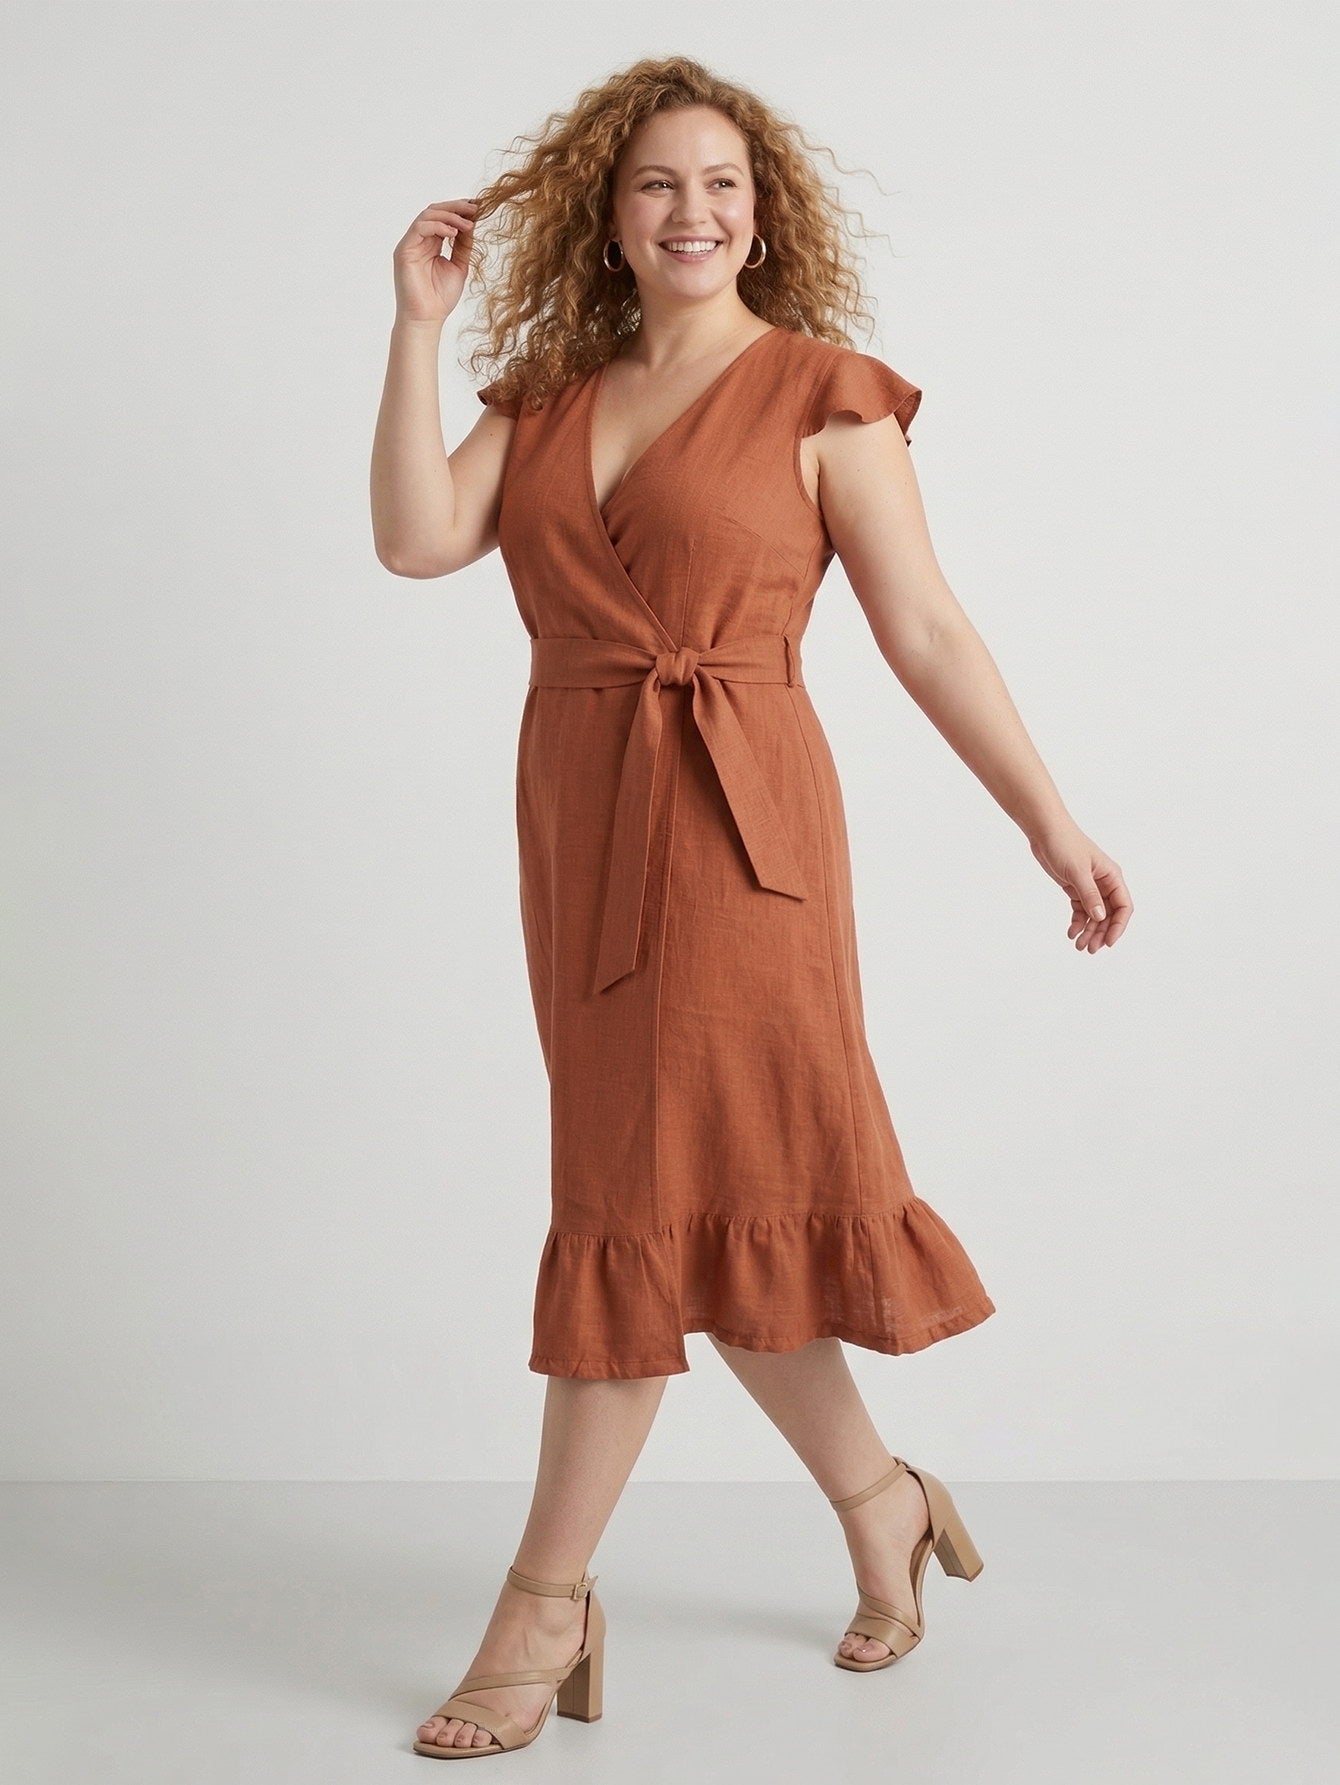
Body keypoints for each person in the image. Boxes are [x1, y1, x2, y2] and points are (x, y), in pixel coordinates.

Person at [371, 54, 1132, 1762]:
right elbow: (416, 539)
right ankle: (884, 1498)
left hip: (744, 837)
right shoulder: (549, 394)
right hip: (583, 833)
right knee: (713, 1203)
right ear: (608, 214)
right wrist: (418, 327)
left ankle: (544, 1600)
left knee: (641, 1200)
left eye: (721, 181)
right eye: (657, 182)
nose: (692, 209)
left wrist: (1050, 823)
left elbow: (925, 629)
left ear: (763, 212)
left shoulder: (819, 394)